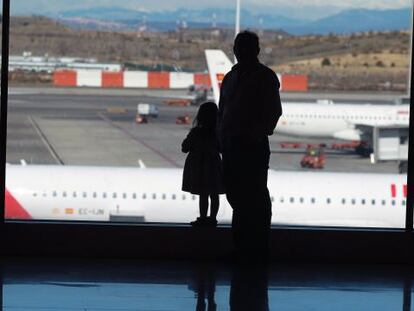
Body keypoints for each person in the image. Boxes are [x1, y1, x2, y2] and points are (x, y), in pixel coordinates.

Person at [218, 31, 282, 258]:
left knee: (254, 199)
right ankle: (242, 246)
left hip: (251, 148)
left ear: (255, 51)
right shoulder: (231, 77)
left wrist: (257, 132)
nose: (239, 51)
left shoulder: (265, 77)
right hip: (232, 147)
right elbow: (222, 110)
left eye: (243, 47)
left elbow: (274, 111)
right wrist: (222, 139)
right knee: (237, 198)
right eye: (238, 46)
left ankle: (257, 248)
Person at [182, 101, 225, 227]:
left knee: (203, 194)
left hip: (199, 168)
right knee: (214, 194)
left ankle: (202, 218)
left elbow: (185, 147)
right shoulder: (217, 133)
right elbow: (222, 148)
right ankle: (212, 219)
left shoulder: (196, 132)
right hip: (214, 167)